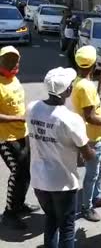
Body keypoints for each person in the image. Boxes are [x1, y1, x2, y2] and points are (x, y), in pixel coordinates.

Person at [28, 67, 95, 248]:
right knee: (66, 226)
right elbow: (87, 155)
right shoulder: (71, 119)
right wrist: (92, 150)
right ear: (67, 91)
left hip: (39, 180)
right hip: (63, 183)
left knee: (51, 220)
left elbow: (32, 140)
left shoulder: (32, 108)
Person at [72, 45, 101, 222]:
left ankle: (96, 198)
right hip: (91, 137)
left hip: (96, 135)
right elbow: (89, 117)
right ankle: (86, 207)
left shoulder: (80, 82)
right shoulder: (86, 87)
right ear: (94, 64)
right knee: (92, 174)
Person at [0, 46, 39, 229]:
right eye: (8, 60)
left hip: (22, 133)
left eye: (15, 60)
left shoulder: (14, 79)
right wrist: (18, 117)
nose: (14, 63)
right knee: (17, 172)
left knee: (26, 172)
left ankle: (19, 204)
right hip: (5, 137)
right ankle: (9, 212)